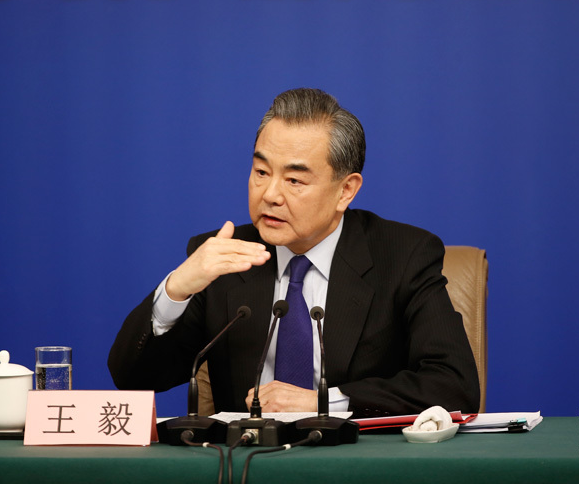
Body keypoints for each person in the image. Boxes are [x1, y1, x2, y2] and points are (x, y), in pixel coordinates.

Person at [108, 88, 479, 417]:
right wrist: (176, 289)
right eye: (261, 172)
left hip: (358, 461)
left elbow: (455, 386)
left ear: (346, 191)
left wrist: (325, 402)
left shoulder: (403, 255)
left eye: (294, 180)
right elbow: (134, 378)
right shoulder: (225, 260)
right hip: (247, 461)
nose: (270, 194)